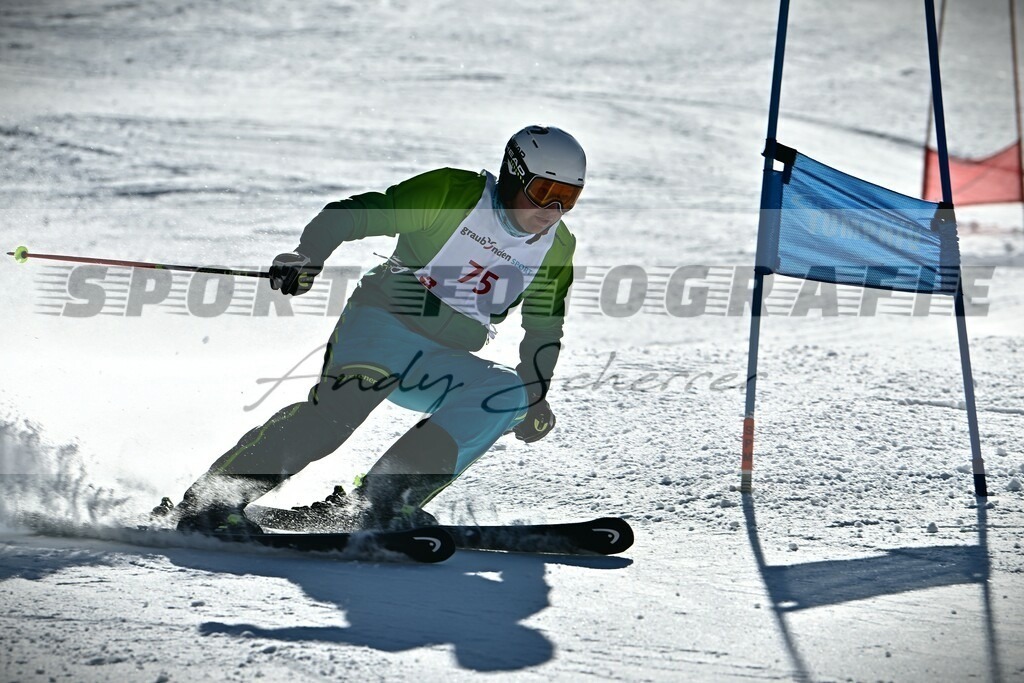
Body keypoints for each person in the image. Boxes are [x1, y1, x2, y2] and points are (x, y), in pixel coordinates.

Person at [155, 125, 586, 534]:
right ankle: (212, 501)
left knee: (507, 393)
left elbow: (544, 328)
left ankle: (380, 504)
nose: (551, 212)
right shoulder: (454, 193)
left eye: (567, 198)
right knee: (337, 414)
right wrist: (309, 255)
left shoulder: (557, 248)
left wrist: (536, 395)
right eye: (544, 193)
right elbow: (353, 216)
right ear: (513, 173)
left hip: (440, 361)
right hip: (381, 327)